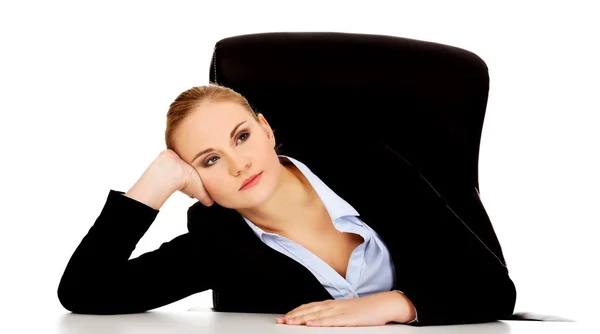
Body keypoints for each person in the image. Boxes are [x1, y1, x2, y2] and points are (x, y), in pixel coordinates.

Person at [57, 84, 516, 327]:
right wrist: (152, 186)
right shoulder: (219, 241)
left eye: (242, 137)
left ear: (267, 130)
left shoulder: (366, 165)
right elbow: (84, 293)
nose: (239, 165)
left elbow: (493, 289)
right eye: (210, 160)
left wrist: (394, 305)